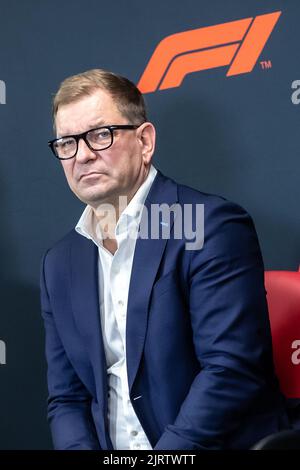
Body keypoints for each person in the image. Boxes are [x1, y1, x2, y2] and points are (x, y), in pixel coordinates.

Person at [41, 68, 289, 450]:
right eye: (67, 143)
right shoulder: (59, 263)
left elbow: (230, 371)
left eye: (99, 135)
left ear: (145, 141)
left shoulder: (207, 226)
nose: (83, 155)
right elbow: (67, 398)